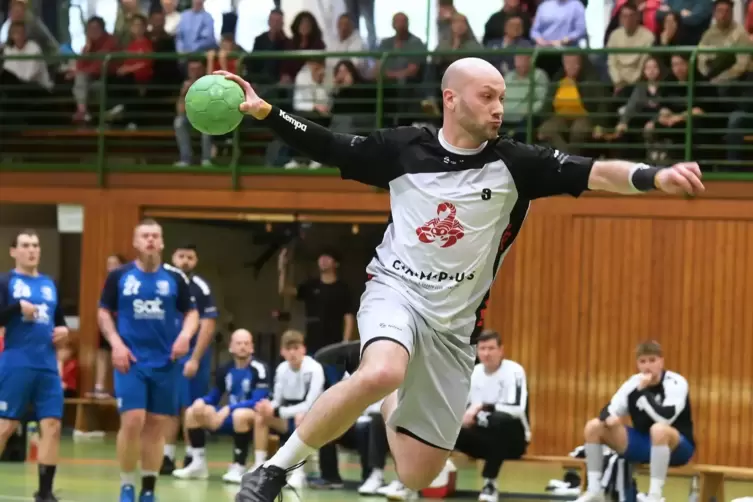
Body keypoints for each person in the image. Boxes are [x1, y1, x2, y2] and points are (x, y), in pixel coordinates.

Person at [215, 56, 704, 502]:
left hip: (453, 328)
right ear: (451, 98)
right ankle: (271, 473)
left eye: (502, 99)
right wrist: (266, 112)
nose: (498, 108)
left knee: (417, 473)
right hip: (396, 289)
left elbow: (597, 172)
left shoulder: (517, 163)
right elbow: (328, 143)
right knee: (384, 368)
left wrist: (652, 176)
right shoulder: (404, 149)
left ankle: (388, 391)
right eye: (486, 96)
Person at [98, 219, 199, 502]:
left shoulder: (175, 278)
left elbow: (192, 313)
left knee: (156, 424)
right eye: (145, 236)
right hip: (131, 360)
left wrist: (185, 336)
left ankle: (149, 488)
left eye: (155, 236)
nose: (151, 240)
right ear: (135, 242)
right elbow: (104, 312)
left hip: (166, 361)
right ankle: (127, 484)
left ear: (162, 242)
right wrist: (116, 344)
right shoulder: (120, 276)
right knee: (132, 420)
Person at [575, 341, 695, 502]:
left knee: (659, 430)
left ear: (661, 361)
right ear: (637, 364)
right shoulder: (633, 382)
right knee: (594, 426)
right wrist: (609, 418)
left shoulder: (675, 382)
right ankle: (595, 491)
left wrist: (643, 392)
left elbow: (666, 418)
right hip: (643, 443)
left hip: (677, 446)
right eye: (643, 361)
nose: (648, 366)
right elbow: (609, 409)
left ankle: (654, 496)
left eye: (652, 361)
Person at [0, 229, 68, 502]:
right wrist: (17, 308)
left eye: (36, 245)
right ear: (13, 251)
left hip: (47, 365)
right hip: (17, 362)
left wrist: (64, 331)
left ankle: (45, 492)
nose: (32, 250)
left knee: (52, 425)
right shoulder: (5, 282)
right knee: (5, 425)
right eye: (26, 245)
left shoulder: (50, 284)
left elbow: (59, 320)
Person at [172, 329, 271, 483]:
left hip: (251, 417)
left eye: (246, 343)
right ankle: (198, 464)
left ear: (252, 347)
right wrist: (202, 401)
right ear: (231, 347)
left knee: (240, 414)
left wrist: (228, 409)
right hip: (229, 415)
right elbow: (215, 395)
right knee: (192, 411)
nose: (243, 347)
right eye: (239, 343)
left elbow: (258, 400)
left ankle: (239, 465)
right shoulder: (225, 369)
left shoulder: (259, 368)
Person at [161, 244, 218, 475]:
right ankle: (166, 455)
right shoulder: (163, 283)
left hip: (191, 356)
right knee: (167, 406)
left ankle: (192, 456)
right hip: (166, 355)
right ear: (173, 257)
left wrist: (195, 358)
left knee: (189, 406)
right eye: (181, 256)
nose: (185, 261)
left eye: (190, 257)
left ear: (196, 261)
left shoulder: (200, 287)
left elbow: (208, 323)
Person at [455, 330, 530, 502]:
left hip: (513, 440)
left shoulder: (514, 371)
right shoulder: (474, 372)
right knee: (449, 426)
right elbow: (463, 409)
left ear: (501, 350)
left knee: (499, 421)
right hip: (483, 440)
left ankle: (490, 483)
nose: (486, 353)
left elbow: (517, 409)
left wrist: (481, 407)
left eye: (491, 348)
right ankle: (411, 484)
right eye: (482, 349)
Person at [252, 330, 325, 489]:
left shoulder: (315, 369)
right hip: (287, 416)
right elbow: (277, 401)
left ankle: (298, 473)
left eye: (296, 348)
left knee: (301, 416)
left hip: (313, 417)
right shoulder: (281, 369)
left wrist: (279, 412)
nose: (293, 352)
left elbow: (309, 404)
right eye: (288, 348)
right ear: (282, 351)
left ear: (303, 349)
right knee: (261, 415)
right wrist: (268, 408)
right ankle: (259, 466)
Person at [277, 247, 354, 381]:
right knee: (311, 382)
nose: (323, 260)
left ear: (336, 264)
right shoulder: (311, 285)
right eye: (321, 257)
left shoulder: (343, 289)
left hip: (334, 345)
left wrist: (345, 343)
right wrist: (282, 267)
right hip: (312, 343)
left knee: (334, 382)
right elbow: (284, 290)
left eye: (328, 257)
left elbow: (348, 316)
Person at [92, 254, 127, 398]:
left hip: (122, 323)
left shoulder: (127, 281)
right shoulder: (108, 283)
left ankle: (120, 388)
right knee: (103, 352)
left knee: (120, 352)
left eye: (114, 264)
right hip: (107, 322)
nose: (111, 267)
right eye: (109, 264)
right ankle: (99, 386)